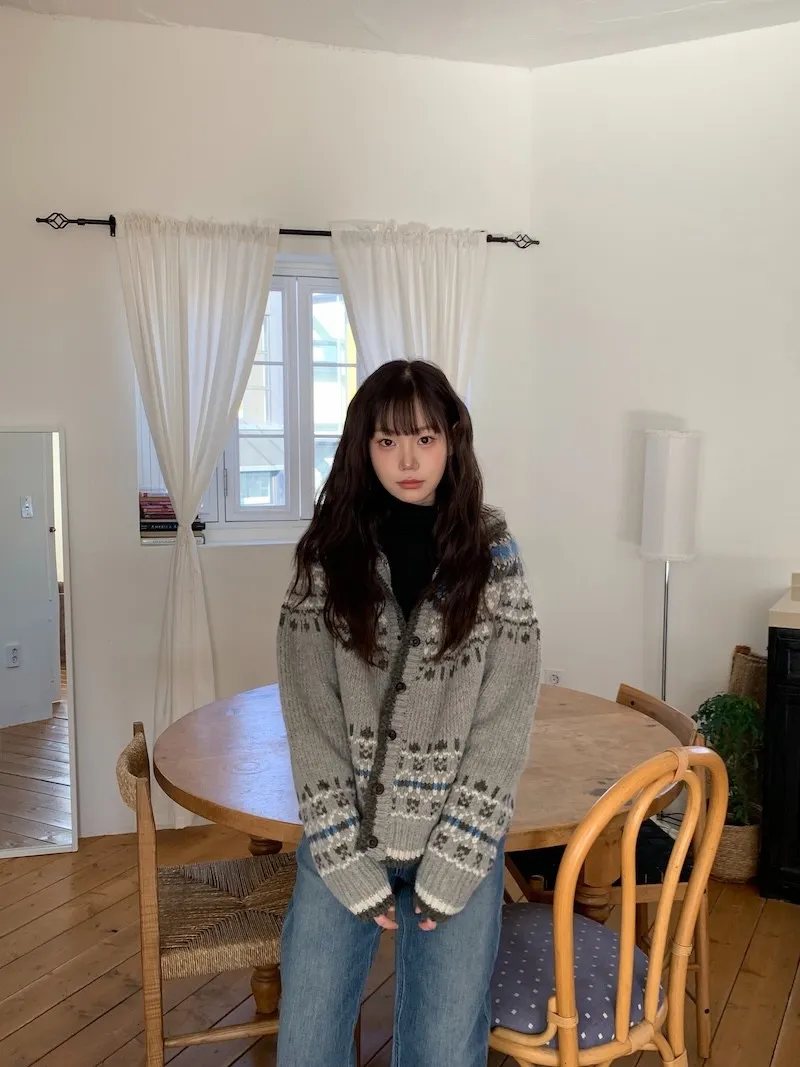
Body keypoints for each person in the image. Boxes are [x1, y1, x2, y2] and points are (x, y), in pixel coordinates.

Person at [275, 359, 541, 1067]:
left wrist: (458, 856)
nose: (409, 460)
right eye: (388, 441)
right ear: (363, 447)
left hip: (457, 843)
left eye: (425, 438)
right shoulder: (326, 559)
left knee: (444, 1049)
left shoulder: (493, 555)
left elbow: (505, 718)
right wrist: (342, 855)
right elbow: (311, 718)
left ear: (452, 439)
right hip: (343, 840)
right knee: (306, 1041)